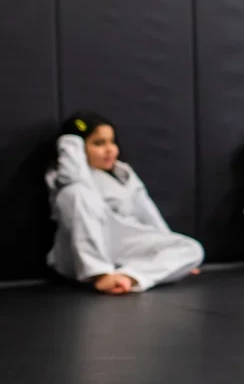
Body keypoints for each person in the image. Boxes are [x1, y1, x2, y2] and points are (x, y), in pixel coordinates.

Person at [45, 111, 204, 294]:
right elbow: (74, 180)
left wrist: (169, 254)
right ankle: (99, 273)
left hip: (121, 248)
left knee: (192, 249)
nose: (110, 149)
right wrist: (71, 139)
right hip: (76, 256)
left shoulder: (124, 174)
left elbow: (148, 215)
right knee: (75, 192)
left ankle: (126, 277)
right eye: (98, 143)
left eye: (112, 142)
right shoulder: (67, 178)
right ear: (79, 150)